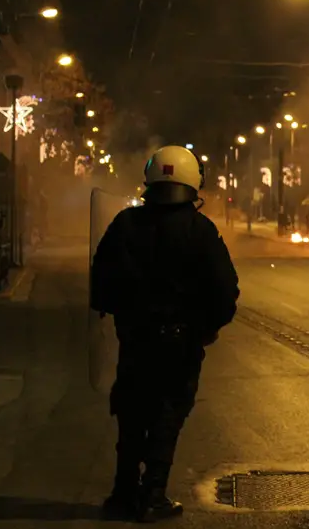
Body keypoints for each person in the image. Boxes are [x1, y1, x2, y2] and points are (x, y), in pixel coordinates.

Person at [91, 146, 239, 521]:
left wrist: (120, 313)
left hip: (135, 339)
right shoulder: (200, 230)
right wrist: (208, 328)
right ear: (193, 183)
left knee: (131, 411)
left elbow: (101, 281)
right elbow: (225, 289)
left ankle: (123, 493)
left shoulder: (125, 224)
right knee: (167, 413)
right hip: (180, 341)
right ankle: (153, 494)